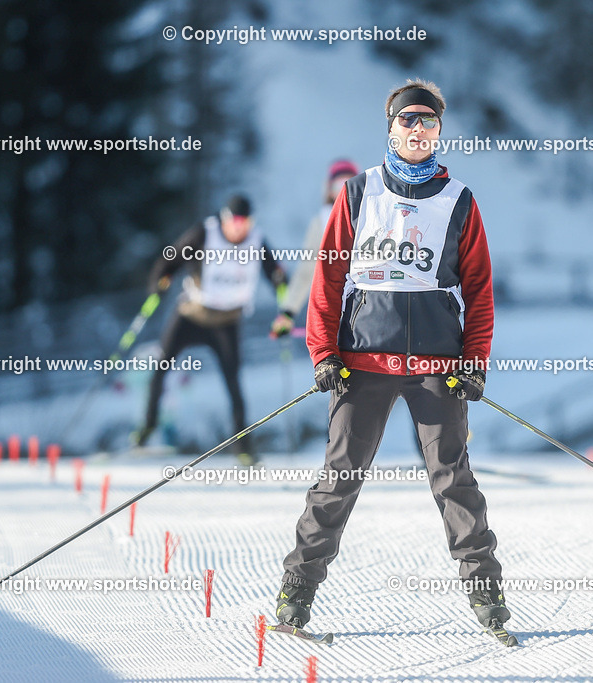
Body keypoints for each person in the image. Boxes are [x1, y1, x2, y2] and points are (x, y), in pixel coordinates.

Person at [275, 79, 510, 634]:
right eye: (409, 120)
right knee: (339, 480)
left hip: (437, 368)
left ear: (439, 132)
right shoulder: (358, 194)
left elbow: (479, 289)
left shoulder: (460, 201)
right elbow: (327, 278)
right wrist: (323, 352)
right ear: (391, 127)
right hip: (363, 364)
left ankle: (487, 597)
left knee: (453, 480)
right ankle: (296, 593)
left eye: (428, 121)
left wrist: (473, 361)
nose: (419, 129)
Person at [135, 194, 287, 465]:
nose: (239, 227)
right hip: (191, 315)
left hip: (226, 323)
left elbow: (274, 272)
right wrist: (159, 280)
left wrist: (281, 286)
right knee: (161, 369)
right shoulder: (204, 234)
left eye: (245, 221)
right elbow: (171, 259)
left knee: (234, 383)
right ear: (225, 219)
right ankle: (147, 428)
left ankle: (243, 447)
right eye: (234, 221)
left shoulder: (256, 241)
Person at [270, 159, 359, 338]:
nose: (343, 191)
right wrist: (288, 311)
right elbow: (307, 271)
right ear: (329, 189)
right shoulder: (321, 223)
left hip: (368, 306)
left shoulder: (374, 214)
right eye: (337, 185)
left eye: (348, 184)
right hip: (334, 307)